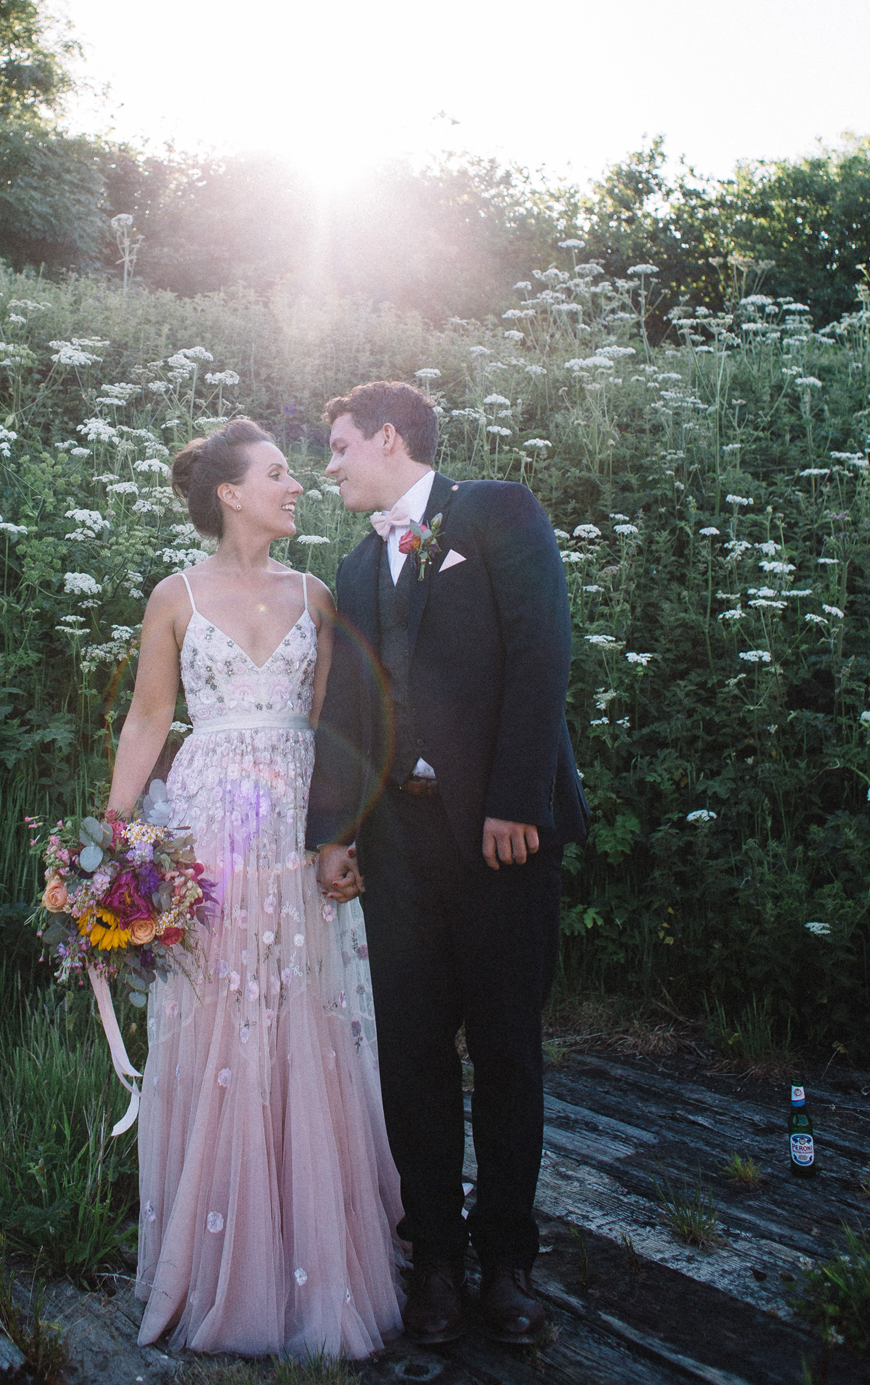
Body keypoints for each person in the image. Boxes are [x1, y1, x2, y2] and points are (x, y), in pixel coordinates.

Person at [103, 418, 404, 1357]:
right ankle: (216, 1262)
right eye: (278, 472)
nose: (298, 484)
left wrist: (338, 831)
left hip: (295, 828)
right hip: (207, 829)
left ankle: (314, 1257)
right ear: (230, 493)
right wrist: (112, 847)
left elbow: (336, 725)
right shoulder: (175, 595)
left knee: (305, 1015)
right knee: (217, 1017)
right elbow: (150, 719)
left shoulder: (319, 594)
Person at [306, 381, 588, 1348]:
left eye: (340, 446)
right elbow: (348, 710)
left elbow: (542, 652)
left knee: (508, 1050)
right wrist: (334, 833)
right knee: (412, 1052)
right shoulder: (353, 564)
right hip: (399, 843)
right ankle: (432, 1258)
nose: (330, 464)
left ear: (390, 439)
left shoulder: (495, 510)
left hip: (501, 832)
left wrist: (520, 799)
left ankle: (507, 1262)